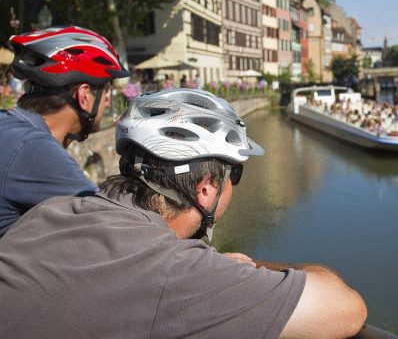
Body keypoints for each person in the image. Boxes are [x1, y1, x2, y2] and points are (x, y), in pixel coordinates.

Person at [0, 88, 367, 338]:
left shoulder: (49, 214)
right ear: (206, 188)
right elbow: (346, 309)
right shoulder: (172, 270)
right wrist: (250, 268)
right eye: (235, 173)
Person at [0, 26, 130, 236]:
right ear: (84, 95)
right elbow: (115, 224)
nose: (107, 102)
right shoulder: (32, 147)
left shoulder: (10, 128)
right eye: (106, 91)